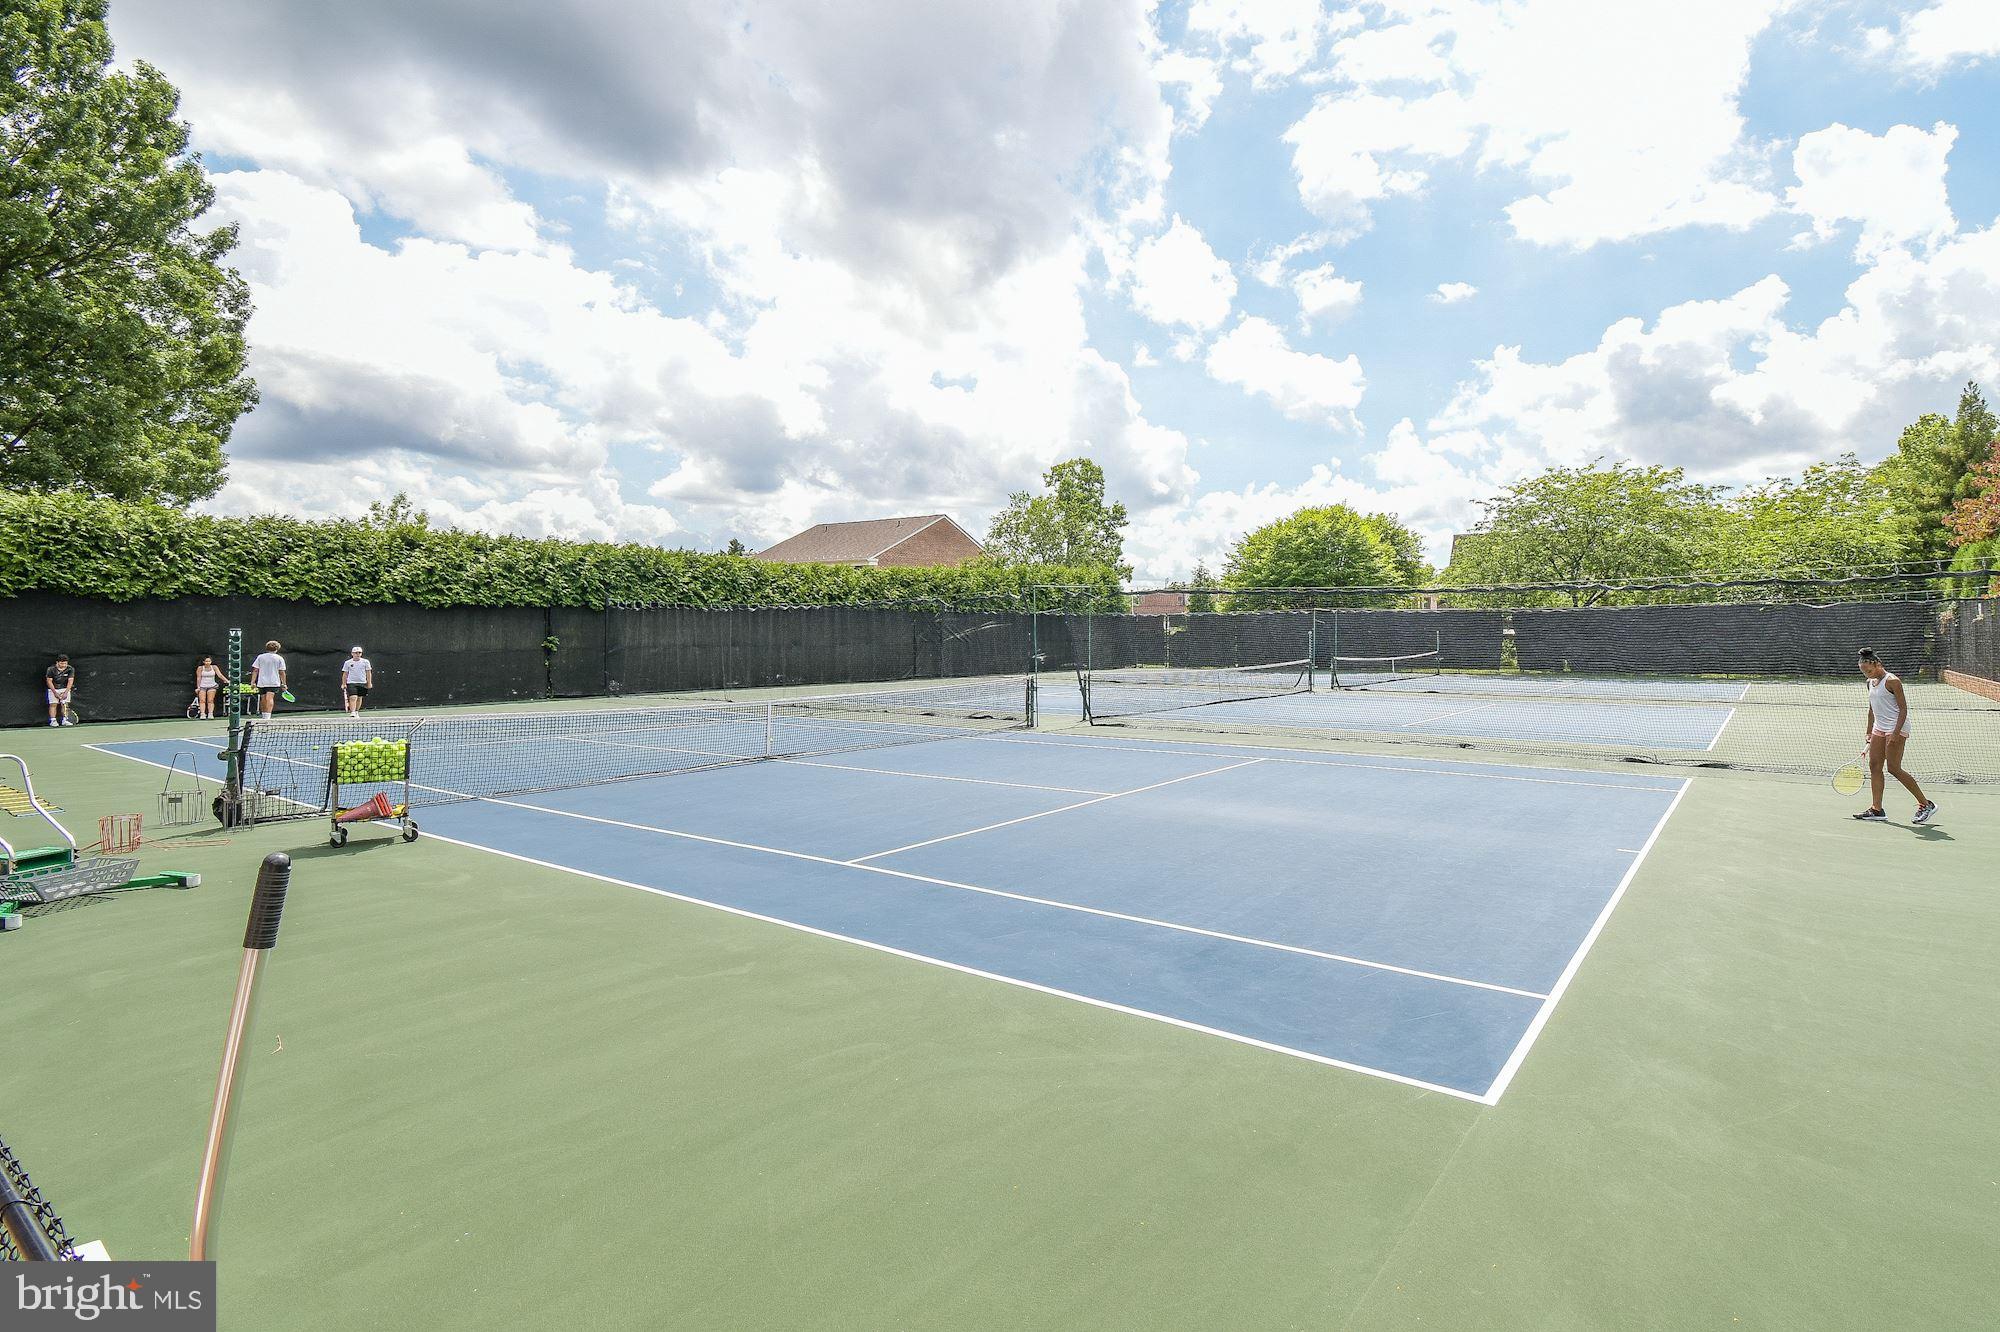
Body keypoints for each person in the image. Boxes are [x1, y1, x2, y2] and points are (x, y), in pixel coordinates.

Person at [1854, 647, 1936, 824]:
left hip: (1896, 726)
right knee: (1875, 766)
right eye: (1863, 672)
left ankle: (1926, 804)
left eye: (1869, 671)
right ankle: (1877, 810)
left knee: (1893, 768)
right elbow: (1871, 709)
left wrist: (1896, 733)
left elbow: (1903, 709)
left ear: (1877, 664)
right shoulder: (1870, 682)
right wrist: (1869, 730)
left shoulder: (1893, 681)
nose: (1867, 675)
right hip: (1879, 727)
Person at [249, 640, 287, 719]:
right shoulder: (279, 658)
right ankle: (267, 718)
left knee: (263, 699)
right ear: (277, 649)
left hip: (262, 682)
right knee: (269, 698)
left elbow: (255, 670)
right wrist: (284, 683)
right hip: (273, 682)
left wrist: (252, 682)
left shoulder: (260, 657)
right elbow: (282, 672)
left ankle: (264, 717)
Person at [193, 655, 230, 720]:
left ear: (211, 661)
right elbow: (198, 678)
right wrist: (198, 687)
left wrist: (227, 680)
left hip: (212, 686)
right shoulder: (200, 668)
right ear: (203, 662)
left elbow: (220, 675)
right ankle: (202, 714)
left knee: (210, 700)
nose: (208, 662)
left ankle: (210, 714)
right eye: (206, 661)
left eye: (209, 661)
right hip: (202, 686)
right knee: (202, 701)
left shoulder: (214, 667)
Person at [44, 654, 76, 727]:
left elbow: (70, 681)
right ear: (57, 662)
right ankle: (53, 721)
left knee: (65, 705)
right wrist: (55, 692)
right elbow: (49, 681)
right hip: (53, 689)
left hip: (65, 689)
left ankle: (65, 720)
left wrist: (66, 692)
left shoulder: (70, 669)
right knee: (53, 705)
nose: (63, 665)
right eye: (62, 663)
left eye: (65, 663)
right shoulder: (51, 669)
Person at [341, 646, 374, 714]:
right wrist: (344, 684)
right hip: (351, 683)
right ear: (352, 653)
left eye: (359, 652)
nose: (357, 654)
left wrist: (369, 682)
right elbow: (345, 674)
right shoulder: (347, 663)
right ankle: (352, 712)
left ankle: (356, 711)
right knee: (353, 697)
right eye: (356, 653)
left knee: (359, 698)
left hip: (362, 682)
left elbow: (368, 673)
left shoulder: (366, 662)